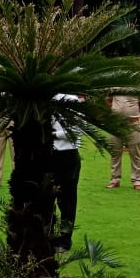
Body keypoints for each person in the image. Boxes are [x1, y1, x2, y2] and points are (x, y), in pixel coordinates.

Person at [51, 95, 82, 253]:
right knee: (45, 198)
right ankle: (47, 235)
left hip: (67, 154)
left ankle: (64, 240)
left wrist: (53, 134)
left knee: (67, 200)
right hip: (46, 153)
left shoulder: (71, 100)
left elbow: (76, 129)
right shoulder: (43, 97)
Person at [106, 93, 140, 190]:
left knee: (135, 153)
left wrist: (137, 113)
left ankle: (137, 181)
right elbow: (108, 100)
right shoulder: (114, 84)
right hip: (115, 124)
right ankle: (114, 180)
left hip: (133, 124)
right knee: (115, 153)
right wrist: (114, 110)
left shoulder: (137, 85)